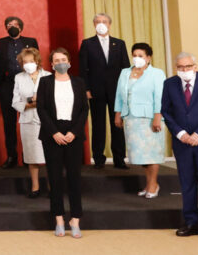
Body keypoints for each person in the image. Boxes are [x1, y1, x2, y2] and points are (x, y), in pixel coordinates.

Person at [161, 52, 198, 240]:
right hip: (182, 144)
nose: (184, 70)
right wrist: (180, 134)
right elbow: (166, 111)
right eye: (180, 67)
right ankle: (191, 223)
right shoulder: (169, 84)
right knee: (187, 185)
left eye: (188, 67)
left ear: (195, 66)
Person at [36, 48, 88, 238]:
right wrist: (54, 132)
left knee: (74, 178)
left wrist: (74, 132)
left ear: (69, 62)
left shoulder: (79, 82)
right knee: (55, 178)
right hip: (52, 135)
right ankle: (58, 218)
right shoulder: (45, 82)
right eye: (56, 60)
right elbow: (41, 109)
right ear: (51, 64)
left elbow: (84, 110)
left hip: (73, 134)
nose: (60, 62)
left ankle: (75, 219)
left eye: (63, 59)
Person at [114, 42, 166, 198]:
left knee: (152, 153)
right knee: (142, 156)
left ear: (148, 58)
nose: (137, 58)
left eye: (141, 56)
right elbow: (119, 94)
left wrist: (158, 116)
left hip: (149, 118)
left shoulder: (157, 73)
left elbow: (160, 97)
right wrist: (118, 113)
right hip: (131, 118)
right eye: (135, 55)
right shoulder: (124, 72)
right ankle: (149, 183)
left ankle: (153, 185)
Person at [78, 13, 130, 168]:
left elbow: (125, 68)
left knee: (118, 124)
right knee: (98, 124)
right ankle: (99, 159)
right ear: (94, 24)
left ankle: (119, 159)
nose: (101, 24)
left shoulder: (119, 44)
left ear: (110, 24)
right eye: (98, 21)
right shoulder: (87, 44)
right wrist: (86, 88)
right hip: (95, 90)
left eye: (104, 21)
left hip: (117, 91)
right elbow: (83, 69)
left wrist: (125, 89)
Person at [0, 16, 38, 167]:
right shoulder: (0, 43)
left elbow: (37, 62)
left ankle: (28, 157)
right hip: (8, 86)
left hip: (27, 85)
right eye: (9, 24)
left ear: (21, 27)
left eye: (15, 24)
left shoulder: (31, 41)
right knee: (9, 123)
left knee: (28, 121)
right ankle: (11, 157)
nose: (12, 26)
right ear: (6, 28)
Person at [11, 47, 49, 197]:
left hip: (46, 121)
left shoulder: (48, 76)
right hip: (27, 121)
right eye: (25, 62)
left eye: (31, 61)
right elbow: (15, 102)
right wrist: (29, 104)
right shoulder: (19, 78)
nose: (28, 64)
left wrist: (40, 102)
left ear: (37, 61)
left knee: (49, 155)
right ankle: (35, 186)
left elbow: (52, 100)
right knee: (32, 156)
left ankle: (52, 186)